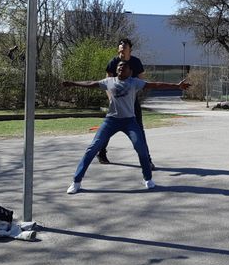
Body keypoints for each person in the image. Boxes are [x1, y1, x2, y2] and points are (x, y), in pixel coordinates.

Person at [63, 61, 190, 194]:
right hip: (111, 120)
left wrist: (176, 86)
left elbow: (155, 84)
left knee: (141, 148)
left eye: (125, 66)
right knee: (93, 147)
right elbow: (90, 83)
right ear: (116, 69)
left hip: (130, 121)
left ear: (130, 71)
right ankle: (76, 182)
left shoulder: (134, 82)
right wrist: (73, 83)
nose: (121, 67)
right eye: (119, 66)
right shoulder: (109, 81)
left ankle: (147, 179)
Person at [98, 38, 149, 166]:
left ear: (129, 50)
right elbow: (107, 82)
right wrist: (111, 98)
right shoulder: (113, 62)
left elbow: (141, 81)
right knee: (107, 129)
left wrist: (129, 95)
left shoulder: (136, 62)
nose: (121, 50)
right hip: (115, 103)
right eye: (120, 48)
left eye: (124, 48)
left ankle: (147, 160)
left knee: (140, 130)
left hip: (131, 102)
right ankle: (101, 153)